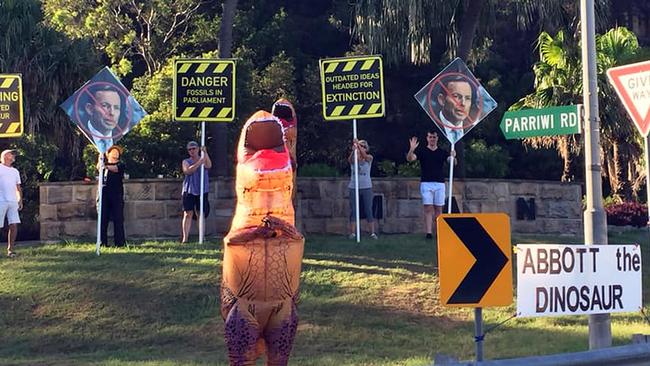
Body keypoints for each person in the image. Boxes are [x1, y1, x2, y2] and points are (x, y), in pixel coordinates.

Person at [406, 130, 455, 239]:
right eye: (430, 137)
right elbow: (410, 159)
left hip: (439, 183)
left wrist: (453, 156)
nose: (432, 139)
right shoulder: (422, 151)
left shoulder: (442, 152)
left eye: (434, 137)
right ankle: (429, 233)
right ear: (427, 138)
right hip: (426, 183)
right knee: (428, 208)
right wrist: (411, 149)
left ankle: (439, 232)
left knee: (438, 208)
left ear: (437, 138)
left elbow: (452, 162)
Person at [181, 141, 212, 243]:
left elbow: (208, 165)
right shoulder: (186, 161)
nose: (192, 151)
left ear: (198, 149)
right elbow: (188, 171)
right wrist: (199, 162)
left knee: (201, 213)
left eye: (194, 148)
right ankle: (185, 239)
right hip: (189, 190)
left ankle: (201, 237)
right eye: (189, 149)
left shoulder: (204, 158)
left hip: (202, 189)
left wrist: (205, 153)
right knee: (188, 213)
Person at [348, 139, 377, 240]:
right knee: (354, 210)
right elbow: (350, 160)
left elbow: (365, 156)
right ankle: (352, 233)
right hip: (353, 187)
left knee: (368, 209)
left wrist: (358, 146)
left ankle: (372, 233)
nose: (361, 147)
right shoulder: (354, 159)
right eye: (360, 145)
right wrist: (353, 150)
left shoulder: (369, 158)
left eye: (363, 146)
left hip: (366, 187)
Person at [96, 145, 126, 247]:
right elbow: (98, 167)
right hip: (104, 195)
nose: (115, 156)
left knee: (118, 219)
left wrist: (106, 166)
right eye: (113, 154)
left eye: (117, 154)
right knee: (103, 219)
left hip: (116, 195)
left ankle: (120, 243)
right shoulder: (103, 165)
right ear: (108, 154)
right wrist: (101, 157)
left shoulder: (120, 165)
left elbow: (116, 169)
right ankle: (102, 242)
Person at [434, 76, 476, 144]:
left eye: (468, 98)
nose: (463, 103)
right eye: (456, 96)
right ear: (442, 99)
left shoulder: (474, 131)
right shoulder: (430, 125)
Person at [84, 85, 124, 152]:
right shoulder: (80, 135)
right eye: (105, 106)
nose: (112, 113)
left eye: (116, 107)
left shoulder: (121, 137)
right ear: (90, 109)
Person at [0, 150, 22, 257]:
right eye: (12, 154)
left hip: (13, 201)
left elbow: (18, 187)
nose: (13, 156)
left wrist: (20, 200)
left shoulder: (15, 171)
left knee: (13, 225)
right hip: (1, 200)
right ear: (6, 156)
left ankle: (10, 250)